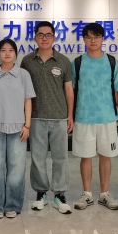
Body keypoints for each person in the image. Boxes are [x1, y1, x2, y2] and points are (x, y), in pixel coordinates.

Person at [20, 21, 74, 214]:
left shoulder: (63, 61)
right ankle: (41, 193)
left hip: (59, 117)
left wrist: (70, 115)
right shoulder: (27, 61)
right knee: (38, 158)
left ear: (54, 37)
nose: (44, 38)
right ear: (35, 37)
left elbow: (69, 90)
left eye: (48, 35)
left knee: (60, 158)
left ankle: (60, 194)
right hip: (35, 118)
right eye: (41, 35)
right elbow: (23, 91)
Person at [72, 22, 118, 212]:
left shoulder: (111, 61)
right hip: (83, 116)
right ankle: (87, 194)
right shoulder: (77, 62)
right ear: (83, 39)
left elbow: (117, 88)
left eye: (96, 37)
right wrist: (70, 116)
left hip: (107, 116)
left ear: (103, 38)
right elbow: (72, 91)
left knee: (106, 156)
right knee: (86, 156)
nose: (92, 40)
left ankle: (104, 194)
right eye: (88, 37)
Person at [0, 39, 35, 219]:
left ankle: (13, 205)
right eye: (3, 50)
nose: (7, 53)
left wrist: (27, 125)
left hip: (18, 129)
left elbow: (28, 101)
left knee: (16, 169)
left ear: (15, 54)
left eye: (11, 50)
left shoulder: (23, 75)